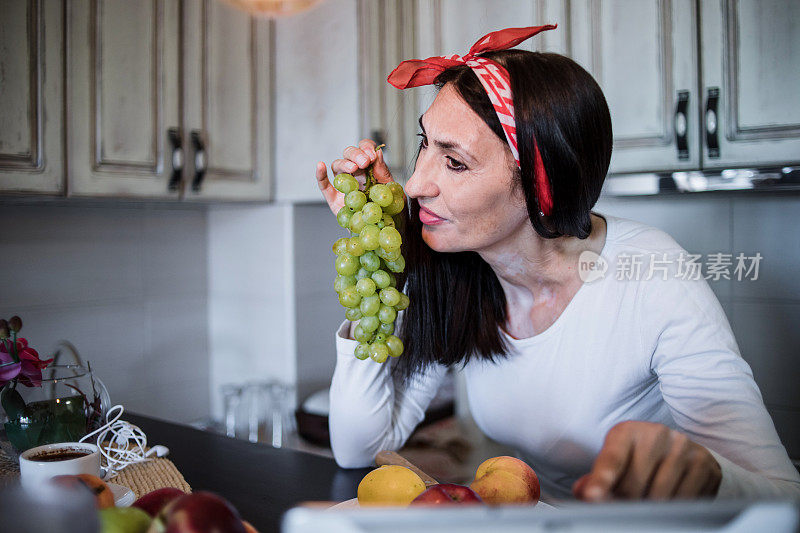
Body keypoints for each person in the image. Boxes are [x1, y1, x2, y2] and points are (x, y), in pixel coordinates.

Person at [314, 27, 800, 501]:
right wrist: (379, 259)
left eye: (454, 162)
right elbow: (360, 449)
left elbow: (783, 497)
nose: (415, 184)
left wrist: (711, 477)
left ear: (540, 187)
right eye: (424, 145)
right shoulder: (459, 269)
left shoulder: (653, 273)